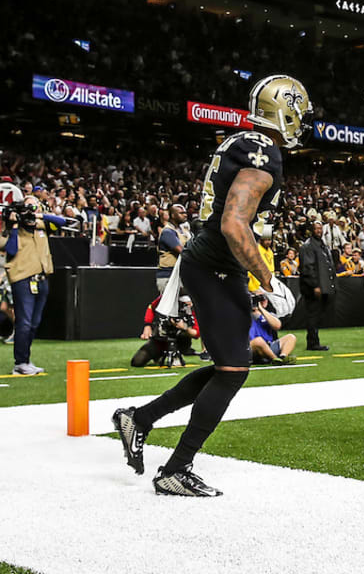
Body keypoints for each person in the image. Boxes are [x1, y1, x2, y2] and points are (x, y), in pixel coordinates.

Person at [112, 74, 309, 496]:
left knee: (230, 366)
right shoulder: (263, 152)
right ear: (286, 111)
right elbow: (235, 224)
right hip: (215, 265)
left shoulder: (242, 141)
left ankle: (140, 419)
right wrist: (269, 279)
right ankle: (175, 468)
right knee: (234, 370)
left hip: (218, 265)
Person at [0, 196, 66, 375]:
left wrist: (39, 216)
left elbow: (62, 221)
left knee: (35, 323)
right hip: (23, 278)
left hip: (42, 278)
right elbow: (11, 250)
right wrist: (14, 225)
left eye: (34, 205)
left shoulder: (42, 225)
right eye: (28, 205)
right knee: (25, 322)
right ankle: (20, 362)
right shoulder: (11, 229)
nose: (31, 208)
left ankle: (26, 360)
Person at [297, 220, 335, 351]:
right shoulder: (308, 246)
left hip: (322, 286)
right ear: (311, 230)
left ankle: (314, 340)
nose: (319, 231)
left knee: (317, 315)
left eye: (320, 228)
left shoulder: (322, 245)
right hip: (312, 288)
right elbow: (308, 268)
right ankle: (313, 343)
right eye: (316, 228)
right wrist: (315, 286)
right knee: (313, 315)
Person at [134, 295, 199, 367]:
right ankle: (158, 355)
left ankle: (179, 353)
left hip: (179, 341)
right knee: (137, 361)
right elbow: (151, 307)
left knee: (183, 336)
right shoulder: (166, 299)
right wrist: (147, 325)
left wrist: (185, 327)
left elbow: (196, 334)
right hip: (160, 340)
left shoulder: (192, 311)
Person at [249, 294, 297, 365]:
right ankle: (274, 358)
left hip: (269, 346)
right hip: (251, 347)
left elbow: (277, 326)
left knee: (291, 337)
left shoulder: (269, 314)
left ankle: (283, 356)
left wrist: (261, 309)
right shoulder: (243, 314)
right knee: (259, 341)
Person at [156, 204, 190, 293]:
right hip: (168, 276)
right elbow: (182, 252)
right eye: (181, 213)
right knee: (169, 307)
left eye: (185, 213)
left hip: (180, 274)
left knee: (186, 305)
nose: (185, 215)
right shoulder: (168, 232)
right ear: (173, 215)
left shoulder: (184, 231)